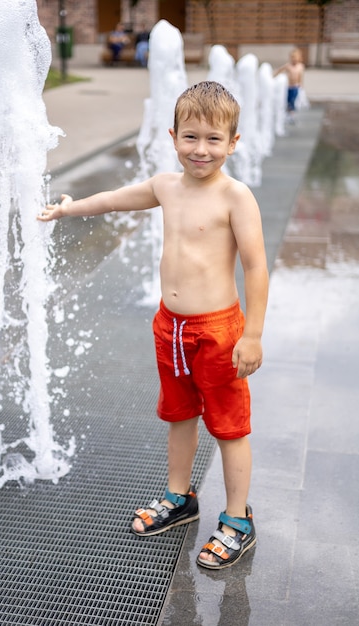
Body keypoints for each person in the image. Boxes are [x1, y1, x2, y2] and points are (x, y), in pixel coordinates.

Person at [38, 81, 269, 570]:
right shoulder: (166, 186)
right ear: (172, 136)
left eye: (213, 139)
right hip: (172, 329)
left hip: (218, 330)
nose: (200, 149)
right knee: (178, 415)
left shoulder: (236, 196)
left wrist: (252, 335)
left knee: (229, 426)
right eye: (190, 137)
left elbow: (256, 268)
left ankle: (237, 520)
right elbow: (116, 199)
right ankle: (179, 498)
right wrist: (68, 208)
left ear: (233, 142)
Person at [275, 48, 305, 121]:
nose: (293, 59)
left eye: (295, 57)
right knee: (288, 99)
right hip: (289, 87)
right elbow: (280, 69)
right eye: (292, 57)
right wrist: (274, 76)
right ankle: (288, 112)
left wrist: (301, 85)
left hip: (296, 86)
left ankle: (292, 113)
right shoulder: (288, 66)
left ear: (299, 58)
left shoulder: (300, 66)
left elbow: (301, 76)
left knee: (293, 99)